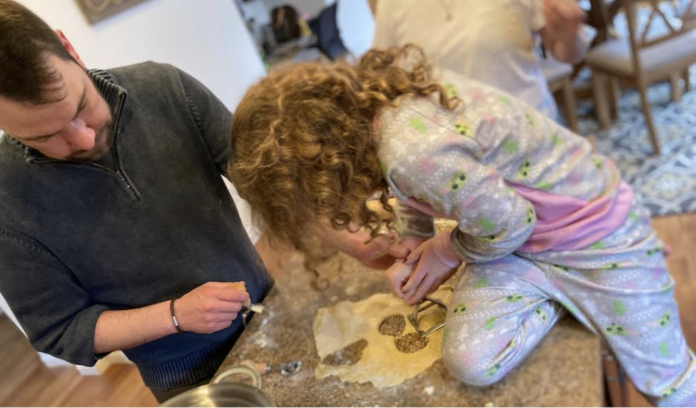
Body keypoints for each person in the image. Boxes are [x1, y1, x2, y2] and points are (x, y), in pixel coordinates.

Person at [228, 45, 696, 406]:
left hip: (595, 234)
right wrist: (415, 238)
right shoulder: (381, 126)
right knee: (469, 361)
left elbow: (512, 222)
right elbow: (419, 192)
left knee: (666, 382)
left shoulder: (412, 152)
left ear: (326, 173)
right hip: (521, 246)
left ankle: (586, 299)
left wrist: (444, 250)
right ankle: (560, 300)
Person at [0, 0, 277, 402]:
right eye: (45, 137)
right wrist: (175, 315)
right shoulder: (8, 204)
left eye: (81, 106)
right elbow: (60, 330)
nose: (82, 139)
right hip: (187, 374)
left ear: (69, 48)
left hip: (269, 309)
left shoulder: (165, 87)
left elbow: (266, 179)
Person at [372, 0, 589, 119]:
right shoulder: (392, 4)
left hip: (528, 127)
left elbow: (569, 54)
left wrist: (569, 34)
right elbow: (381, 71)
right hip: (449, 148)